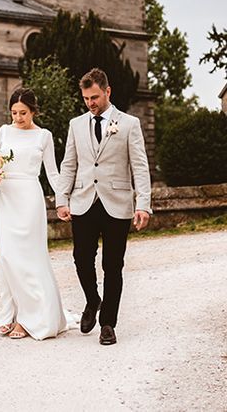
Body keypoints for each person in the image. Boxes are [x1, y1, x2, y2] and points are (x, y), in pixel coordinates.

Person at [56, 68, 152, 346]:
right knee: (81, 259)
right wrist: (62, 199)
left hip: (117, 203)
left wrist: (143, 204)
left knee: (113, 265)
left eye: (95, 97)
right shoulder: (76, 125)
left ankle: (108, 323)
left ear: (107, 91)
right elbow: (69, 165)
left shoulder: (130, 124)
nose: (90, 103)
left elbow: (140, 167)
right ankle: (92, 300)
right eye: (86, 98)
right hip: (83, 201)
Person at [0, 87, 68, 340]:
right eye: (14, 112)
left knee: (29, 257)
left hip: (29, 199)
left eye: (23, 113)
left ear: (33, 111)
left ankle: (28, 319)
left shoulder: (43, 136)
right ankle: (8, 314)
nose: (18, 117)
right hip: (6, 199)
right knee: (6, 257)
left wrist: (63, 200)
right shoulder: (4, 131)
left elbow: (53, 173)